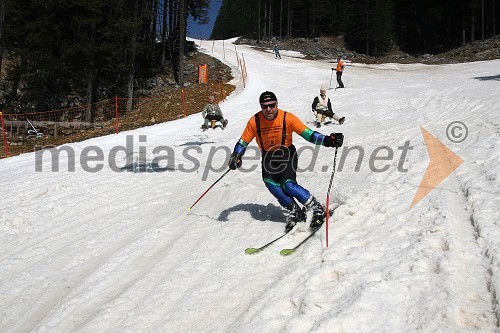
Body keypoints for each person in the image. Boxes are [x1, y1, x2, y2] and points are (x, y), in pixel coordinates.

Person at [228, 91, 344, 232]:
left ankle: (316, 207)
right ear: (261, 106)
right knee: (271, 184)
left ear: (277, 104)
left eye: (272, 105)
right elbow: (243, 142)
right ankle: (295, 210)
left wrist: (328, 140)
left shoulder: (287, 118)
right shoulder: (255, 121)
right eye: (265, 106)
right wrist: (236, 155)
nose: (269, 109)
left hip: (287, 154)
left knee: (288, 185)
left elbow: (308, 134)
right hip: (268, 157)